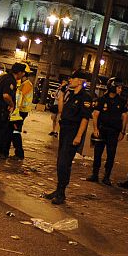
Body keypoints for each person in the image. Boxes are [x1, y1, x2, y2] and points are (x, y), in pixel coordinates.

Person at [43, 70, 93, 204]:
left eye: (73, 78)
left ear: (81, 81)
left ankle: (62, 193)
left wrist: (78, 136)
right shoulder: (70, 94)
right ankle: (58, 190)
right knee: (60, 162)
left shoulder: (85, 97)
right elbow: (61, 110)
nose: (70, 80)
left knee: (64, 163)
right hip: (65, 130)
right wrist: (62, 93)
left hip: (73, 132)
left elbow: (85, 118)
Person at [87, 77, 128, 186]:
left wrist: (122, 132)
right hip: (102, 129)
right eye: (118, 87)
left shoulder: (122, 101)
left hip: (114, 132)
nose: (120, 89)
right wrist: (95, 129)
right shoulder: (102, 99)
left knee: (111, 154)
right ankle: (94, 174)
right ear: (112, 87)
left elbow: (124, 116)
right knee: (97, 153)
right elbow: (95, 115)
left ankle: (106, 176)